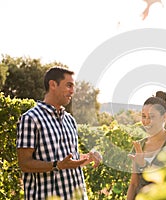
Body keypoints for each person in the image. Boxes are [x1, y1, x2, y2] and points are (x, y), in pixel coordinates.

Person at [16, 66, 102, 200]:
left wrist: (88, 157)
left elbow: (69, 160)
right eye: (69, 86)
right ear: (53, 84)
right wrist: (56, 165)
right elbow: (24, 163)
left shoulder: (70, 120)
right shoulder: (31, 119)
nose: (72, 91)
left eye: (73, 86)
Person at [127, 91, 166, 200]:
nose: (146, 121)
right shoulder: (139, 146)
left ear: (164, 117)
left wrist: (143, 165)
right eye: (143, 116)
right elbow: (134, 184)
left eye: (151, 116)